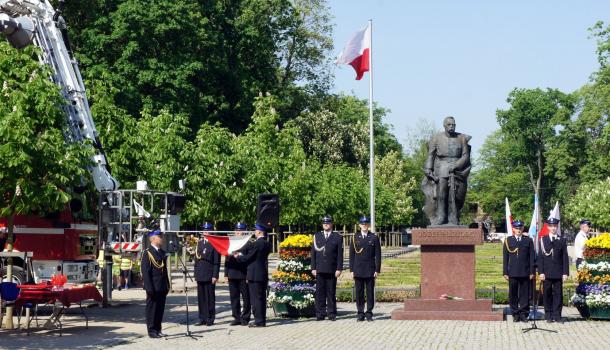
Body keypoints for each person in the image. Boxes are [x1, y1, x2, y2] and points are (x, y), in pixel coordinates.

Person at [422, 116, 472, 225]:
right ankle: (441, 216)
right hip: (442, 167)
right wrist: (428, 168)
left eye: (453, 125)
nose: (451, 127)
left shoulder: (461, 138)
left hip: (458, 169)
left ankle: (454, 216)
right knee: (441, 193)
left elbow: (465, 156)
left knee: (457, 194)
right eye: (449, 125)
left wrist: (456, 165)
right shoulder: (436, 138)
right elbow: (431, 154)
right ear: (444, 126)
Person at [235, 223, 271, 327]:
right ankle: (262, 319)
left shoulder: (256, 244)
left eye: (255, 230)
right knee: (261, 298)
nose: (254, 232)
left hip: (254, 274)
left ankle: (258, 321)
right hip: (262, 273)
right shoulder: (267, 244)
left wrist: (237, 256)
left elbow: (247, 258)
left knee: (255, 299)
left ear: (259, 232)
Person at [311, 215, 343, 321]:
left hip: (331, 269)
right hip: (319, 269)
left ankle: (331, 313)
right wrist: (313, 268)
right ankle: (320, 314)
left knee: (331, 293)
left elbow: (339, 255)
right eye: (324, 223)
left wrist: (339, 268)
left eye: (328, 223)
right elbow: (313, 254)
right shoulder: (317, 236)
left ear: (331, 224)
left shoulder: (337, 237)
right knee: (320, 293)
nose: (326, 224)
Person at [349, 216, 381, 322]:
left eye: (366, 224)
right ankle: (360, 313)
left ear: (369, 225)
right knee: (359, 292)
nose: (364, 225)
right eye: (362, 224)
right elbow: (351, 255)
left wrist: (377, 270)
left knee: (370, 292)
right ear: (359, 225)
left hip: (370, 269)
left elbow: (378, 255)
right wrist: (352, 270)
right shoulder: (355, 237)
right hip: (358, 269)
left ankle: (369, 313)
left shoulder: (374, 237)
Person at [502, 220, 535, 322]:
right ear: (513, 229)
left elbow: (531, 258)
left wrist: (532, 272)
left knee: (525, 294)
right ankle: (515, 313)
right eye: (516, 228)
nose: (518, 230)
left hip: (525, 272)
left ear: (523, 228)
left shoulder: (528, 240)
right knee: (513, 294)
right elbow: (505, 258)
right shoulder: (508, 241)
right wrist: (505, 272)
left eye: (520, 228)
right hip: (512, 272)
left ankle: (524, 313)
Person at [538, 217, 569, 323]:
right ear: (548, 227)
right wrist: (541, 272)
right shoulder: (543, 239)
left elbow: (565, 257)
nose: (553, 228)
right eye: (551, 226)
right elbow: (540, 257)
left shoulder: (562, 240)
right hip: (546, 272)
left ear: (557, 227)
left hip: (558, 272)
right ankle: (548, 314)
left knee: (558, 294)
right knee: (547, 294)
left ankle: (557, 315)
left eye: (555, 226)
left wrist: (565, 273)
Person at [141, 230, 170, 338]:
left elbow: (164, 270)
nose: (161, 238)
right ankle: (152, 330)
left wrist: (167, 284)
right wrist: (149, 288)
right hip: (153, 286)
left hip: (162, 286)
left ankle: (158, 329)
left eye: (161, 236)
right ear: (153, 239)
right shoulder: (147, 253)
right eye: (159, 236)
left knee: (160, 309)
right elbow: (145, 272)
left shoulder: (162, 252)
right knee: (152, 309)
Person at [225, 222, 251, 326]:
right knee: (234, 298)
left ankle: (245, 318)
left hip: (243, 274)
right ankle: (236, 317)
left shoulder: (248, 243)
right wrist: (226, 274)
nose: (238, 232)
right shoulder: (231, 242)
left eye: (240, 230)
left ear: (244, 231)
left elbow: (249, 260)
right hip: (232, 273)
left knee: (246, 298)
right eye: (237, 230)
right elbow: (227, 259)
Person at [194, 222, 221, 326]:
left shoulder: (214, 243)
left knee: (210, 298)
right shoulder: (199, 243)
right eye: (204, 230)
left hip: (209, 275)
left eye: (207, 230)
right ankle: (202, 318)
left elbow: (216, 262)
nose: (205, 232)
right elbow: (196, 261)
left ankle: (210, 318)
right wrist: (196, 274)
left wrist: (215, 275)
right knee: (201, 299)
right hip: (200, 274)